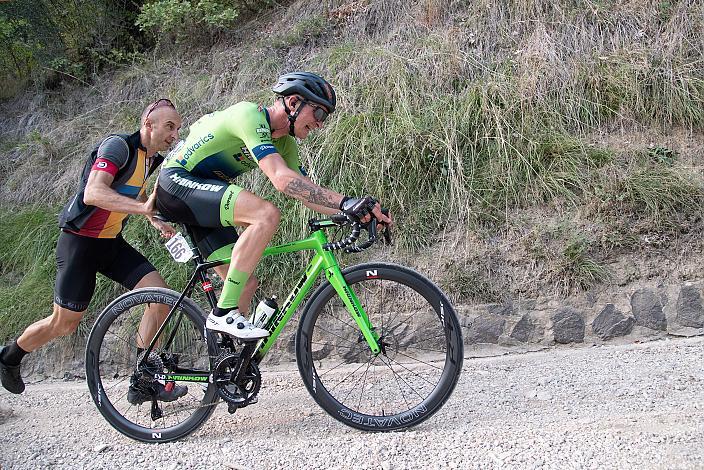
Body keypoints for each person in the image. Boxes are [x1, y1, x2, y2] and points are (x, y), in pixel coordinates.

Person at [156, 72, 392, 341]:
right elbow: (282, 180)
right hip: (177, 184)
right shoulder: (250, 116)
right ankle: (223, 314)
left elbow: (305, 193)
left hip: (201, 198)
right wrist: (345, 203)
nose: (320, 124)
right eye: (319, 114)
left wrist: (355, 212)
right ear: (293, 102)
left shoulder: (285, 143)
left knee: (245, 284)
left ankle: (226, 366)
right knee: (265, 215)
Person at [0, 99, 187, 404]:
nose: (174, 134)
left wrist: (152, 217)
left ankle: (144, 378)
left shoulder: (150, 159)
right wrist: (141, 208)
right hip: (80, 244)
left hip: (111, 243)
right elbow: (94, 192)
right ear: (148, 124)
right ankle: (9, 357)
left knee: (159, 297)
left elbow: (131, 188)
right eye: (169, 126)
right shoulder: (118, 147)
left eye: (177, 128)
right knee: (64, 323)